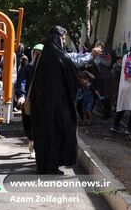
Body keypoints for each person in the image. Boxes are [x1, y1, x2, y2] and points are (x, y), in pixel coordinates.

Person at [31, 26, 101, 174]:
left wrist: (90, 55)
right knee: (60, 131)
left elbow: (71, 57)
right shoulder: (58, 57)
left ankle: (43, 164)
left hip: (42, 107)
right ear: (58, 38)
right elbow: (73, 63)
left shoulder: (44, 56)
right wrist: (91, 56)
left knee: (44, 133)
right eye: (63, 39)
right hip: (58, 106)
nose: (63, 42)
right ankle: (52, 165)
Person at [15, 43, 43, 159]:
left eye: (40, 54)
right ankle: (31, 140)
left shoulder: (48, 70)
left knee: (39, 126)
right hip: (29, 102)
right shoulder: (28, 68)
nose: (38, 56)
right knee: (27, 124)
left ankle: (36, 149)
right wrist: (21, 95)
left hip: (42, 103)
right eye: (36, 53)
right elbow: (22, 82)